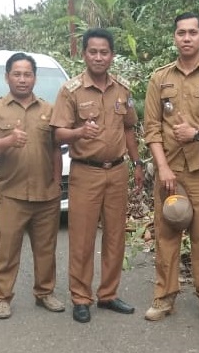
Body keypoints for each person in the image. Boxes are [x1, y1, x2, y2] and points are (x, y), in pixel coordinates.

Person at [143, 12, 199, 324]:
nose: (186, 38)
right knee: (166, 235)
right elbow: (152, 129)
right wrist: (163, 168)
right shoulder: (159, 78)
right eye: (181, 32)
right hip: (170, 171)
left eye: (192, 32)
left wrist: (196, 133)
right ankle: (164, 296)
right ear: (174, 37)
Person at [50, 28, 144, 323]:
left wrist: (137, 162)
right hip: (85, 173)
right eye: (93, 52)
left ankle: (109, 294)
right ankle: (81, 297)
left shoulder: (122, 90)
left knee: (116, 235)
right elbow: (57, 134)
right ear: (84, 54)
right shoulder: (71, 90)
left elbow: (129, 127)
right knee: (82, 238)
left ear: (112, 56)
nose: (99, 57)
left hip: (117, 172)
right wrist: (79, 131)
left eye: (104, 52)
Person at [0, 52, 64, 320]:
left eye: (27, 74)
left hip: (45, 195)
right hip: (11, 194)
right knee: (6, 251)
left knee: (46, 250)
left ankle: (45, 293)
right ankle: (2, 298)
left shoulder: (49, 110)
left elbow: (56, 149)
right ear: (7, 77)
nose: (22, 79)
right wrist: (8, 141)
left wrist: (57, 184)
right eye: (17, 74)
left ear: (34, 78)